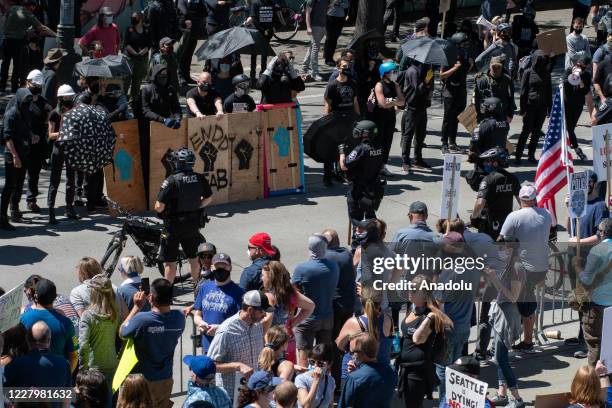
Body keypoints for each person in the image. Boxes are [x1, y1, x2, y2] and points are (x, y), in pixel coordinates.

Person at [500, 184, 552, 352]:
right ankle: (527, 338)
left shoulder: (514, 216)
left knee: (519, 304)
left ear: (520, 199)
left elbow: (501, 240)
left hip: (522, 269)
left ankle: (526, 341)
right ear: (534, 198)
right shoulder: (546, 214)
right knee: (527, 302)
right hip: (541, 268)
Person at [120, 278, 186, 407]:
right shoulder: (179, 318)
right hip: (165, 379)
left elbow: (122, 332)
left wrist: (136, 307)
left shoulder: (142, 319)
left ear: (152, 298)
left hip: (142, 382)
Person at [155, 147, 213, 283]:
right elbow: (209, 198)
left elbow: (159, 207)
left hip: (173, 227)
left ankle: (166, 293)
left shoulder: (172, 181)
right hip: (192, 225)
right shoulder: (199, 178)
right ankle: (197, 290)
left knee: (170, 263)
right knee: (194, 259)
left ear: (179, 163)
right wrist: (196, 206)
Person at [396, 274, 453, 408]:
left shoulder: (429, 316)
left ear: (425, 296)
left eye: (414, 290)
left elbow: (416, 338)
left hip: (418, 371)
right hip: (406, 368)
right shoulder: (412, 308)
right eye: (410, 288)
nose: (410, 292)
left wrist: (430, 317)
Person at [207, 290, 272, 404]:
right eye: (261, 311)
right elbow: (211, 365)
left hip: (252, 393)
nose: (264, 315)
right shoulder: (226, 331)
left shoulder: (258, 325)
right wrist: (238, 366)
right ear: (250, 310)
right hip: (231, 396)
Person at [482, 236, 525, 407]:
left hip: (508, 315)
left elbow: (513, 296)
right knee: (500, 356)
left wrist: (495, 280)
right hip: (501, 312)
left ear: (511, 249)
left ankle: (517, 397)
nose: (498, 252)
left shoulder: (516, 267)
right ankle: (502, 393)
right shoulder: (508, 265)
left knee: (500, 357)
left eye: (501, 249)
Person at [292, 234, 339, 367]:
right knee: (324, 357)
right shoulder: (334, 267)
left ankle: (302, 385)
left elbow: (294, 293)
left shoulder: (302, 269)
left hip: (307, 319)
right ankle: (324, 383)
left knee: (304, 356)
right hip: (327, 318)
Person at [138, 64, 182, 202]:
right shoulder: (146, 90)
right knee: (149, 161)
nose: (164, 79)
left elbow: (176, 108)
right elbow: (145, 110)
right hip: (150, 129)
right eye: (161, 76)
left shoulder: (170, 89)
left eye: (166, 76)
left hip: (165, 131)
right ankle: (147, 192)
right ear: (155, 76)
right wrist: (163, 120)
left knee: (167, 161)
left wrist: (178, 118)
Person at [572, 219, 612, 367]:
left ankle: (594, 384)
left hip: (597, 306)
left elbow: (587, 279)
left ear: (602, 233)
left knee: (595, 345)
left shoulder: (598, 250)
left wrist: (577, 267)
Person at [335, 286, 393, 385]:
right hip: (381, 374)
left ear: (361, 301)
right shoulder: (388, 319)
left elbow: (339, 345)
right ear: (380, 302)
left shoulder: (353, 322)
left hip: (355, 373)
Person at [19, 279, 78, 373]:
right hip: (57, 376)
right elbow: (74, 356)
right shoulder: (66, 323)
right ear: (55, 297)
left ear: (35, 296)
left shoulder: (23, 319)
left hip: (30, 375)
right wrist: (65, 376)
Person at [261, 261, 315, 363]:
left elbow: (267, 321)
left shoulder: (269, 297)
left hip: (272, 343)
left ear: (270, 277)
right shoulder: (291, 294)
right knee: (288, 372)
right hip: (288, 341)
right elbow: (310, 306)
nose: (261, 278)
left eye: (263, 275)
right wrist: (294, 322)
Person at [0, 0, 55, 93]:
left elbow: (4, 19)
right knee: (17, 65)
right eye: (34, 7)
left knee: (5, 64)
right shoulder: (29, 15)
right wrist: (56, 35)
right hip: (17, 42)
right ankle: (14, 88)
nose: (34, 10)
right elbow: (42, 28)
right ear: (31, 7)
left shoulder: (13, 8)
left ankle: (2, 86)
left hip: (6, 40)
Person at [193, 253, 244, 352]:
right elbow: (197, 314)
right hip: (207, 346)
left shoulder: (239, 293)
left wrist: (220, 329)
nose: (221, 270)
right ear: (212, 268)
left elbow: (242, 323)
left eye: (224, 266)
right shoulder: (205, 287)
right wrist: (200, 323)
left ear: (230, 268)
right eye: (217, 266)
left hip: (227, 348)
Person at [78, 274, 119, 394]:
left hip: (93, 368)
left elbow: (83, 345)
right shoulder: (114, 311)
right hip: (111, 363)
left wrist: (82, 368)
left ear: (94, 292)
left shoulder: (88, 315)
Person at [3, 321, 72, 392]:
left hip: (23, 403)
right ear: (49, 340)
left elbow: (5, 394)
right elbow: (67, 398)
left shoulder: (14, 364)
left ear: (28, 340)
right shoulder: (64, 364)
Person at [323, 56, 360, 186]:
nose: (347, 68)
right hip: (336, 119)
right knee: (332, 148)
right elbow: (327, 104)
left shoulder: (352, 83)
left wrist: (358, 117)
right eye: (344, 66)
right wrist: (326, 121)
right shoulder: (332, 85)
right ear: (338, 68)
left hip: (349, 118)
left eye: (348, 66)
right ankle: (327, 176)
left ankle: (345, 174)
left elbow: (355, 101)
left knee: (348, 148)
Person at [0, 88, 33, 230]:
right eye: (25, 100)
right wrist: (15, 156)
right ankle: (2, 217)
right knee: (10, 186)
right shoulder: (11, 114)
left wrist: (32, 136)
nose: (28, 103)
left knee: (19, 184)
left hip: (23, 152)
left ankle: (15, 211)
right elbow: (7, 138)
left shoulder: (25, 111)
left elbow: (26, 130)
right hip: (12, 155)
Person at [46, 84, 79, 224]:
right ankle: (51, 211)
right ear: (61, 98)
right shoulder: (54, 113)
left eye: (71, 96)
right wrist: (65, 133)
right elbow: (51, 135)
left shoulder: (74, 110)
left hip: (71, 148)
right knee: (55, 180)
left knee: (71, 180)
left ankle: (69, 208)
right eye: (68, 96)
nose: (71, 98)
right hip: (59, 148)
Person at [471, 148, 520, 240]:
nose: (485, 163)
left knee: (487, 251)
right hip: (508, 222)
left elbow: (480, 203)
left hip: (490, 224)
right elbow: (522, 201)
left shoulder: (488, 179)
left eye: (487, 161)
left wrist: (473, 217)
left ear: (496, 163)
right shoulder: (513, 178)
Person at [338, 332, 397, 408]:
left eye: (352, 352)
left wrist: (354, 375)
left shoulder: (354, 379)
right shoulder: (392, 371)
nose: (350, 355)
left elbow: (344, 405)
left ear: (361, 353)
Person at [342, 120, 385, 222]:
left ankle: (358, 237)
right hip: (373, 187)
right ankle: (373, 235)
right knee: (370, 216)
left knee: (356, 219)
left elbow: (344, 165)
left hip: (358, 189)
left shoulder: (361, 149)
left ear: (365, 133)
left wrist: (341, 152)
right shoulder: (380, 147)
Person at [517, 50, 552, 163]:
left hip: (542, 107)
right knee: (526, 131)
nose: (541, 63)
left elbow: (549, 92)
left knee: (536, 132)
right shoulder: (527, 73)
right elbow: (523, 92)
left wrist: (549, 109)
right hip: (529, 106)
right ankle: (518, 155)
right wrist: (522, 109)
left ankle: (531, 155)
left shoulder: (546, 73)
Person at [440, 32, 472, 154]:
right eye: (464, 43)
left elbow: (463, 73)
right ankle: (444, 143)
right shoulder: (448, 55)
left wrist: (470, 65)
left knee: (456, 119)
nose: (466, 45)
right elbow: (442, 76)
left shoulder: (464, 55)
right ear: (458, 44)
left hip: (461, 91)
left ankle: (452, 142)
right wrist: (454, 68)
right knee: (448, 119)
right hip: (450, 93)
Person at [372, 61, 404, 176]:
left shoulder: (395, 85)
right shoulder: (379, 85)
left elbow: (402, 101)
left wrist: (391, 101)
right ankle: (375, 166)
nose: (395, 73)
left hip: (390, 117)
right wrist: (393, 101)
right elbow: (382, 103)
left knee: (388, 141)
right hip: (379, 117)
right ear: (385, 73)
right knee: (378, 142)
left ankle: (383, 165)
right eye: (393, 71)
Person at [564, 51, 592, 162]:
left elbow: (586, 91)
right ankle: (576, 150)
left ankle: (574, 149)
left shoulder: (587, 75)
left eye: (583, 66)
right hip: (566, 104)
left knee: (570, 128)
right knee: (568, 129)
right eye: (579, 65)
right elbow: (564, 83)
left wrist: (580, 82)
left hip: (577, 106)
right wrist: (573, 75)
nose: (580, 67)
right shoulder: (569, 70)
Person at [468, 98, 509, 172]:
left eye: (486, 108)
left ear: (491, 109)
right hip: (500, 160)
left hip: (485, 163)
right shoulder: (505, 124)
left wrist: (471, 154)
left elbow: (473, 144)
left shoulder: (484, 125)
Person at [474, 56, 515, 124]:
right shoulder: (482, 80)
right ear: (490, 66)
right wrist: (479, 115)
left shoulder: (507, 80)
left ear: (502, 67)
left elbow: (511, 97)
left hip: (502, 114)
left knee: (500, 134)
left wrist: (510, 115)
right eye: (494, 66)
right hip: (486, 115)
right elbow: (476, 99)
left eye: (498, 67)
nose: (496, 68)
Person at [294, 343, 336, 408]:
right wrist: (316, 381)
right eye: (312, 362)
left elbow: (330, 405)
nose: (315, 366)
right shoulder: (301, 379)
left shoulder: (331, 380)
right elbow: (306, 406)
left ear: (329, 364)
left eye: (320, 363)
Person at [177, 0, 207, 87]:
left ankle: (187, 75)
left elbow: (204, 12)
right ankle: (180, 76)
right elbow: (183, 12)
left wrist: (195, 17)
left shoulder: (198, 1)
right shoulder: (181, 1)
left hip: (194, 31)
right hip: (184, 31)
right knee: (182, 54)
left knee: (189, 54)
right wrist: (192, 16)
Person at [123, 12, 150, 106]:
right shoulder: (129, 29)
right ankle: (123, 100)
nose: (133, 19)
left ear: (141, 19)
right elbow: (126, 44)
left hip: (140, 58)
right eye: (132, 17)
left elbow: (148, 45)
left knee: (137, 80)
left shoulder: (146, 30)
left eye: (135, 18)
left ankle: (133, 101)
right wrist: (135, 53)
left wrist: (141, 53)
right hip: (129, 58)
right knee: (126, 80)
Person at [245, 0, 276, 83]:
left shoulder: (271, 3)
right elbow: (254, 18)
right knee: (254, 54)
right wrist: (262, 29)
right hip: (257, 32)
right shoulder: (256, 3)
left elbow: (274, 17)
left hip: (267, 32)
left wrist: (270, 28)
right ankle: (252, 76)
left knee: (264, 54)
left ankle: (263, 74)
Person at [302, 0, 329, 82]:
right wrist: (308, 27)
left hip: (323, 26)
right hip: (315, 26)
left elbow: (325, 10)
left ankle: (304, 68)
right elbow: (307, 13)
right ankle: (314, 73)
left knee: (312, 47)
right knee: (315, 49)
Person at [324, 0, 348, 66]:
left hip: (340, 18)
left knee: (335, 38)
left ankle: (331, 57)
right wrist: (333, 3)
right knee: (329, 37)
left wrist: (339, 3)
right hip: (330, 16)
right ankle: (327, 58)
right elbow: (326, 4)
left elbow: (346, 5)